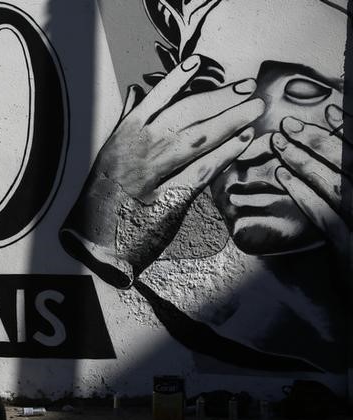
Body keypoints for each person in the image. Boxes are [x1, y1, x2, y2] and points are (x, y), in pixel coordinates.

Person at [60, 0, 349, 373]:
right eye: (213, 91)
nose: (247, 146)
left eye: (304, 91)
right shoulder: (191, 320)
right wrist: (101, 225)